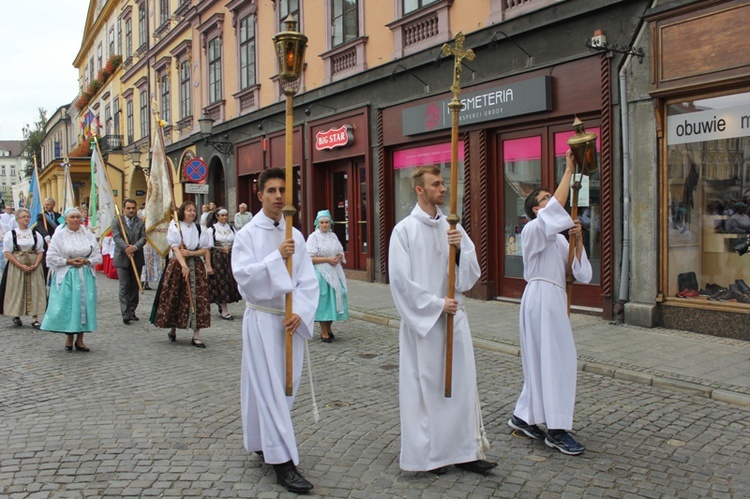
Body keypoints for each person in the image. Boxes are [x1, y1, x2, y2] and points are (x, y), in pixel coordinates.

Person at [388, 165, 495, 476]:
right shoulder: (404, 231)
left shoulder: (453, 228)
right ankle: (432, 454)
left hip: (454, 320)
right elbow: (400, 281)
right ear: (419, 190)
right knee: (427, 391)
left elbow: (471, 275)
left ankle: (464, 450)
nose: (443, 188)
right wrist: (436, 304)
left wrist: (460, 250)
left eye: (443, 183)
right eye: (436, 184)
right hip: (425, 324)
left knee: (461, 387)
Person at [231, 167, 319, 494]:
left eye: (283, 190)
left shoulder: (295, 234)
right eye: (271, 190)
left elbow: (308, 280)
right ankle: (283, 462)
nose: (279, 196)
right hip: (263, 320)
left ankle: (259, 439)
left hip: (289, 321)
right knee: (269, 388)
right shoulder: (248, 235)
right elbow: (244, 278)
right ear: (259, 195)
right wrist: (275, 258)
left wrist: (301, 311)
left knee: (283, 386)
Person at [508, 150, 592, 456]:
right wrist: (568, 172)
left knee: (546, 360)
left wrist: (578, 242)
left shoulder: (558, 239)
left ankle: (524, 415)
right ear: (534, 210)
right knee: (555, 360)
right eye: (543, 199)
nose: (549, 201)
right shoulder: (532, 231)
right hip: (540, 297)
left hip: (554, 298)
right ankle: (556, 430)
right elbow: (552, 212)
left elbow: (581, 275)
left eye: (548, 197)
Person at [150, 200, 213, 348]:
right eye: (188, 210)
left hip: (196, 265)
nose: (191, 213)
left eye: (193, 210)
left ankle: (196, 335)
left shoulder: (200, 228)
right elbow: (175, 248)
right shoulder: (176, 227)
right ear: (182, 212)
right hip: (178, 265)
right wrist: (184, 265)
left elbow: (205, 250)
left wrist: (192, 253)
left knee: (199, 298)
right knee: (176, 295)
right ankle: (173, 328)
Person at [40, 207, 102, 352]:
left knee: (84, 306)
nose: (75, 220)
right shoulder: (60, 235)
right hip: (67, 275)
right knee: (69, 306)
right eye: (72, 217)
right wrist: (68, 261)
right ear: (66, 219)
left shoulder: (88, 235)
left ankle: (80, 340)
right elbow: (50, 257)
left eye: (78, 217)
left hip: (85, 275)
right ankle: (69, 337)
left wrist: (86, 261)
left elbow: (97, 256)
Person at [306, 209, 348, 342]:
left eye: (327, 222)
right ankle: (324, 331)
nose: (324, 225)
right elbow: (309, 257)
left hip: (335, 270)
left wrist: (338, 257)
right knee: (324, 300)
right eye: (322, 222)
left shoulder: (333, 236)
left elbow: (341, 251)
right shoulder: (313, 237)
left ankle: (329, 327)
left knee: (337, 297)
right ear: (317, 223)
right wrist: (327, 259)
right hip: (320, 272)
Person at [0, 208, 46, 329]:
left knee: (35, 289)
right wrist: (20, 265)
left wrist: (36, 264)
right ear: (17, 219)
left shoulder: (35, 234)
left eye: (28, 217)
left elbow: (40, 251)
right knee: (17, 289)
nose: (26, 219)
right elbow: (7, 252)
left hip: (33, 264)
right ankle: (16, 314)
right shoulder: (11, 234)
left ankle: (35, 317)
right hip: (17, 265)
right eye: (23, 217)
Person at [111, 199, 146, 325]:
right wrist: (126, 248)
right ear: (123, 209)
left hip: (136, 257)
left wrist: (134, 247)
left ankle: (132, 310)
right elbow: (116, 237)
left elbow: (143, 238)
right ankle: (125, 313)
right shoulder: (117, 221)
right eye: (128, 208)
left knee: (134, 286)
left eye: (133, 208)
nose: (131, 210)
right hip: (122, 257)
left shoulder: (140, 221)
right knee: (124, 285)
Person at [207, 208, 241, 319]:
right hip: (218, 259)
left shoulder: (231, 228)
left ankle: (223, 304)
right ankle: (224, 309)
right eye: (222, 215)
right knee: (221, 282)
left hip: (230, 257)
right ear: (217, 216)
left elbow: (237, 242)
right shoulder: (212, 229)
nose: (224, 217)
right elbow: (209, 247)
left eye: (226, 215)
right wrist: (209, 265)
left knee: (230, 281)